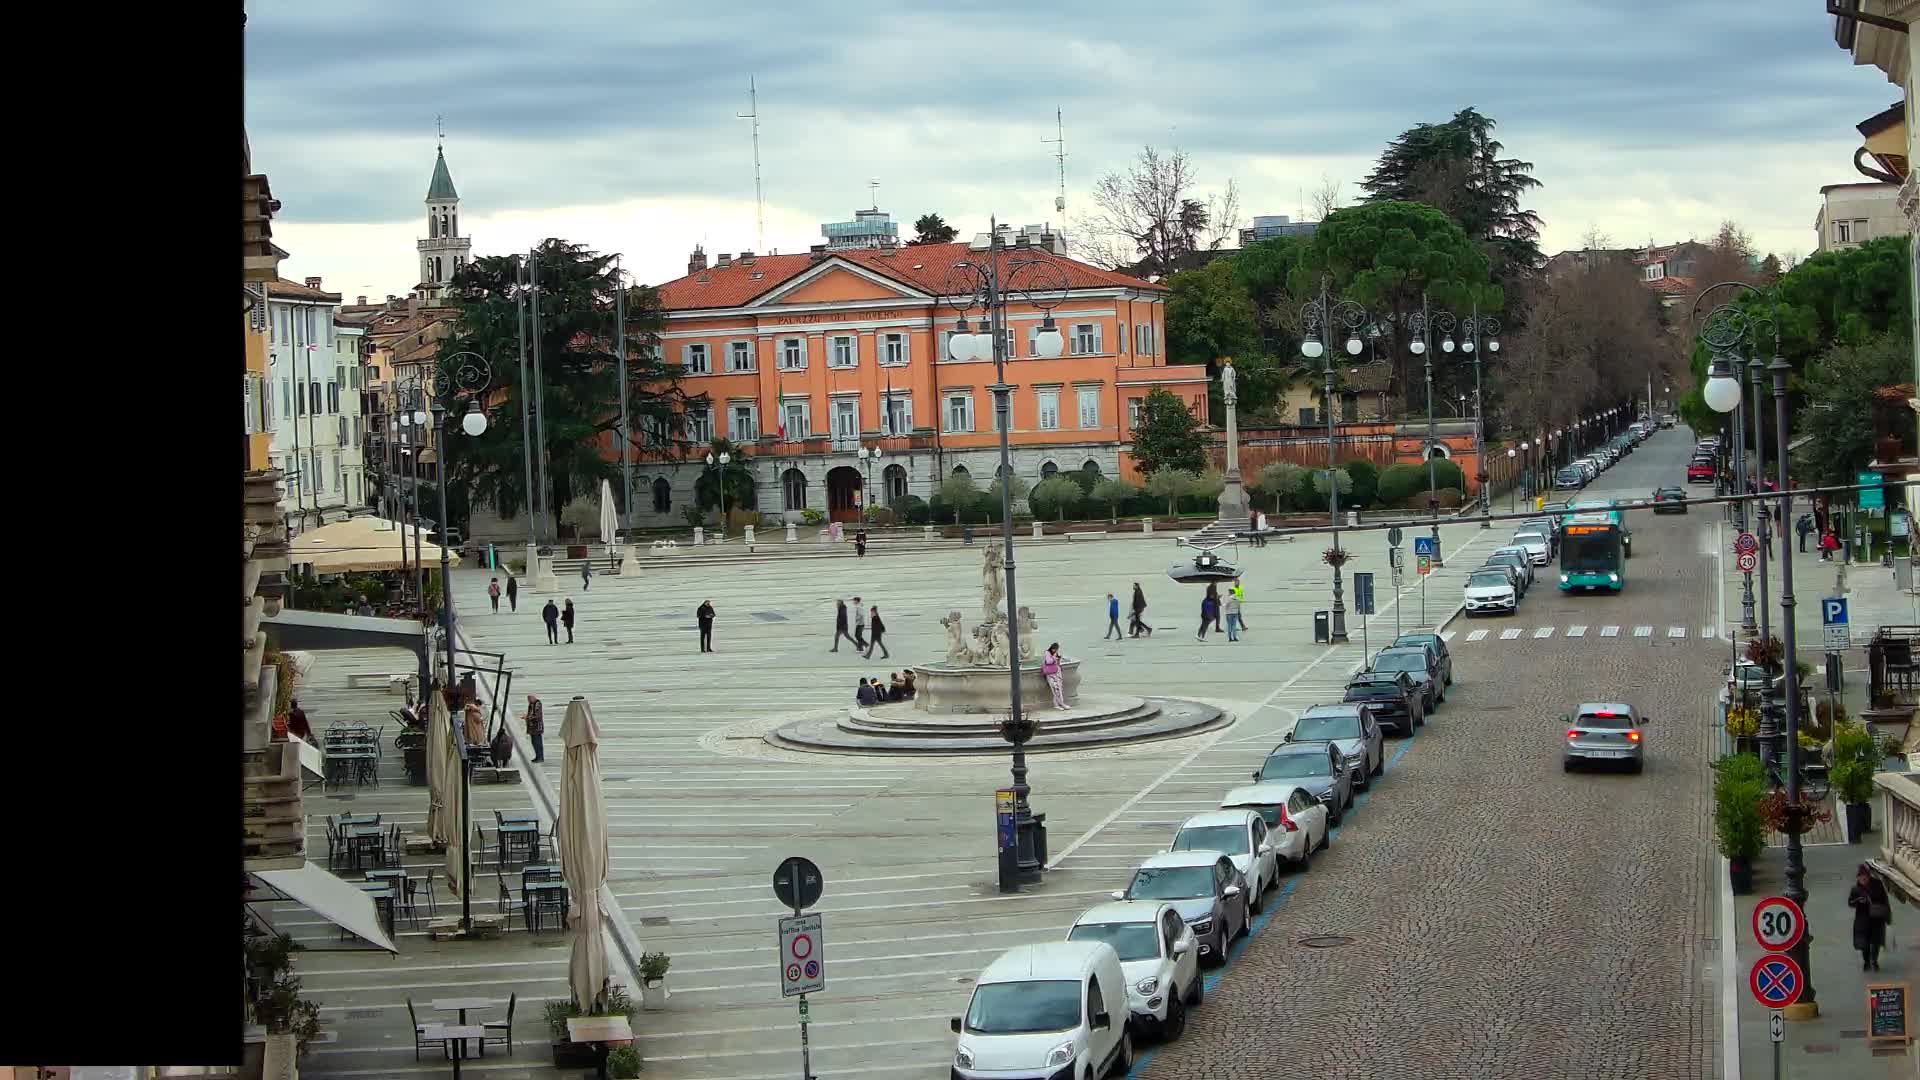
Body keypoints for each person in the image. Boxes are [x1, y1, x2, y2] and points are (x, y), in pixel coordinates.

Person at [1849, 864, 1894, 971]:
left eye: (1864, 877)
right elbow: (1850, 903)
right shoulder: (1855, 889)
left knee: (1876, 942)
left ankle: (1874, 961)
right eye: (1860, 877)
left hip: (1876, 919)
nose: (1863, 879)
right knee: (1864, 943)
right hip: (1862, 920)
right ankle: (1866, 962)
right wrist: (1858, 901)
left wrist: (1888, 916)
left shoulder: (1877, 885)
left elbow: (1885, 900)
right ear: (1858, 878)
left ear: (1868, 876)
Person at [522, 694, 546, 763]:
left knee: (537, 743)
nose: (528, 701)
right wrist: (527, 717)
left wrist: (527, 717)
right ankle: (538, 756)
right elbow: (531, 714)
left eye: (529, 699)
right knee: (534, 742)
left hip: (537, 728)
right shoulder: (531, 704)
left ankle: (540, 757)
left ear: (533, 698)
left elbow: (537, 716)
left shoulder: (537, 704)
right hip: (532, 728)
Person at [1042, 643, 1066, 708]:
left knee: (1059, 689)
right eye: (1054, 649)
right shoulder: (1047, 653)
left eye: (1056, 649)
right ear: (1052, 648)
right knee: (1055, 688)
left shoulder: (1055, 653)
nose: (1055, 650)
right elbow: (1048, 661)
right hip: (1050, 673)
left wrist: (1058, 659)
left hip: (1057, 673)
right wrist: (1054, 657)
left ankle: (1060, 703)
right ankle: (1058, 704)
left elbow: (1057, 663)